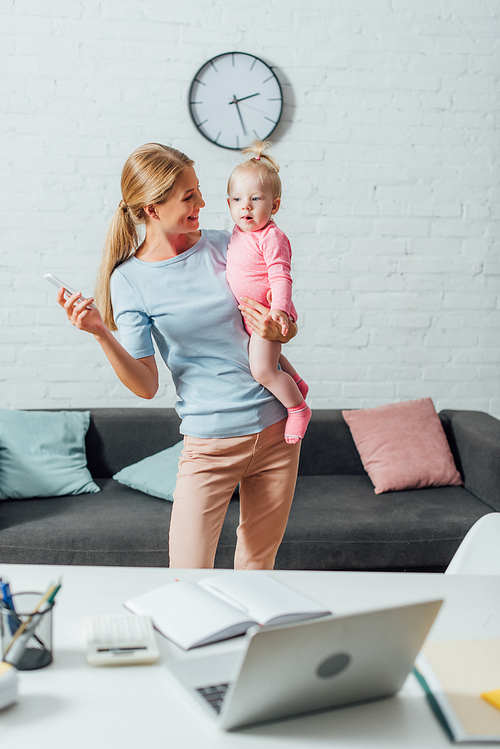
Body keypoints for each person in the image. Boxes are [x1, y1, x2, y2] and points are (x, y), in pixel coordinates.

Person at [57, 142, 301, 570]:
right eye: (189, 196)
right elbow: (147, 385)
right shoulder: (130, 280)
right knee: (188, 578)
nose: (203, 203)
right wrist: (100, 333)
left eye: (199, 191)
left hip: (277, 431)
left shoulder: (230, 244)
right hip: (209, 445)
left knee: (258, 571)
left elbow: (284, 324)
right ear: (153, 209)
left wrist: (280, 327)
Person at [226, 141, 311, 444]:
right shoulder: (237, 233)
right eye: (237, 199)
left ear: (273, 206)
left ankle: (298, 408)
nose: (245, 206)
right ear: (229, 204)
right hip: (251, 317)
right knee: (268, 359)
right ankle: (296, 383)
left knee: (262, 370)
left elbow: (280, 274)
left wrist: (279, 311)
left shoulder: (271, 236)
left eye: (255, 198)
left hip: (267, 315)